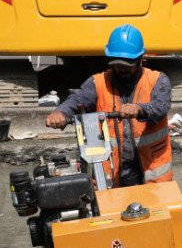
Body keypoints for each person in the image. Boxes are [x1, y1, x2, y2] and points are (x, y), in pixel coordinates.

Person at [45, 24, 173, 187]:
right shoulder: (97, 83)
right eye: (118, 63)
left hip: (152, 172)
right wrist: (61, 112)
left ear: (141, 59)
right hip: (112, 172)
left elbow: (160, 107)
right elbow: (77, 100)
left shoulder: (157, 80)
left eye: (128, 63)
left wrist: (139, 109)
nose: (122, 68)